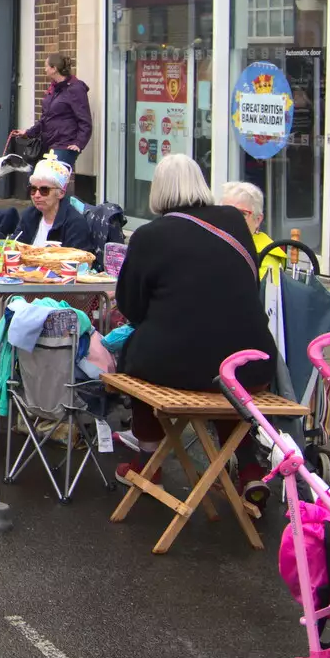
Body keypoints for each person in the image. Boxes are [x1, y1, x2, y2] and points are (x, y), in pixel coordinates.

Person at [115, 155, 278, 480]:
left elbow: (130, 306)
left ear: (157, 189)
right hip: (254, 363)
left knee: (135, 355)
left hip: (179, 367)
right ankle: (248, 468)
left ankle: (148, 462)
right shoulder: (234, 221)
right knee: (226, 376)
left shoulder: (149, 236)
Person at [0, 158, 92, 250]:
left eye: (44, 190)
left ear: (61, 193)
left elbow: (81, 262)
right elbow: (15, 246)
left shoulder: (75, 223)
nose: (36, 195)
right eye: (33, 189)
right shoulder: (29, 215)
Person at [16, 52, 93, 168]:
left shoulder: (75, 89)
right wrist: (29, 133)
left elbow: (84, 120)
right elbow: (45, 118)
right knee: (35, 181)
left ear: (54, 69)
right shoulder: (54, 89)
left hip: (64, 145)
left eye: (46, 66)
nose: (45, 69)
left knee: (50, 181)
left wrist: (79, 143)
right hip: (48, 144)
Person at [219, 180, 285, 276]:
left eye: (241, 214)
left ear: (257, 220)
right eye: (226, 212)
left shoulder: (267, 258)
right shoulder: (218, 244)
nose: (231, 219)